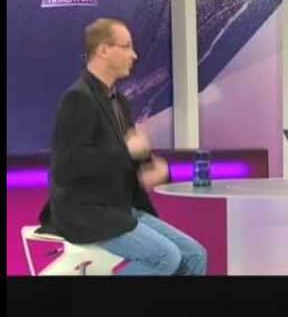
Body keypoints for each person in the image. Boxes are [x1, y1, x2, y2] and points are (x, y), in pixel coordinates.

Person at [38, 18, 207, 275]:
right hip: (87, 212)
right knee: (165, 258)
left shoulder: (120, 102)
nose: (134, 55)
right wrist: (126, 151)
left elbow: (129, 157)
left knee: (195, 255)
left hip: (122, 207)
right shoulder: (77, 99)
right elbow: (69, 167)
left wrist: (150, 170)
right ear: (104, 50)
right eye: (126, 46)